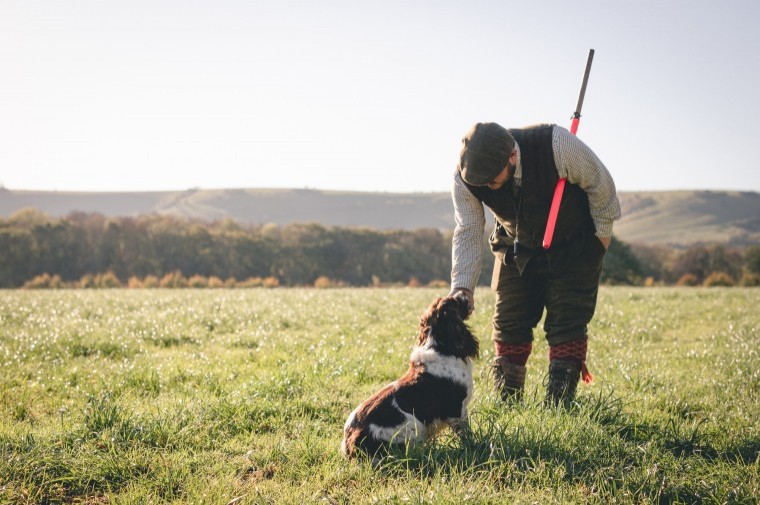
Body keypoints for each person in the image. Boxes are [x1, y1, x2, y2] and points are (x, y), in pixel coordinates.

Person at [449, 122, 620, 406]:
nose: (486, 187)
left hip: (574, 246)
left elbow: (603, 190)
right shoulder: (465, 176)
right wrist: (462, 287)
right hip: (516, 249)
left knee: (568, 324)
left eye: (492, 180)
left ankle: (559, 408)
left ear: (512, 157)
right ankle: (508, 405)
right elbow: (468, 229)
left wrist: (597, 247)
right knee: (508, 323)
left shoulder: (558, 145)